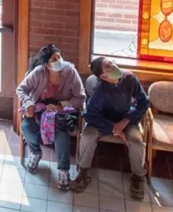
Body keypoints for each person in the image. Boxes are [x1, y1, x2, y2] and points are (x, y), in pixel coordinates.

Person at [72, 56, 149, 199]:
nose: (114, 65)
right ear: (103, 76)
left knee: (137, 141)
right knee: (88, 136)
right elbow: (90, 115)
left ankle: (138, 177)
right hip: (103, 121)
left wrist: (125, 122)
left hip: (127, 118)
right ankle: (84, 172)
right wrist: (114, 129)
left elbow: (144, 103)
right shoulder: (100, 90)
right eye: (109, 66)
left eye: (112, 62)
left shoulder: (130, 78)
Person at [15, 44, 86, 189]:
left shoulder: (70, 72)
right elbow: (21, 88)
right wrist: (28, 103)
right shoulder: (39, 72)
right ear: (47, 64)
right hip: (41, 109)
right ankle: (35, 153)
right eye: (54, 59)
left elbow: (80, 98)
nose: (59, 60)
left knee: (61, 131)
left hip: (64, 112)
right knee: (26, 126)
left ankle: (63, 170)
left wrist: (60, 106)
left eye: (59, 56)